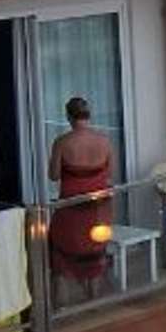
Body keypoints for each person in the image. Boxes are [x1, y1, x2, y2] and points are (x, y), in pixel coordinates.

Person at [46, 97, 115, 293]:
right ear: (89, 115)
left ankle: (62, 305)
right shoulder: (105, 142)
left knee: (61, 257)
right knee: (94, 255)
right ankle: (93, 301)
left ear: (68, 117)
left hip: (71, 208)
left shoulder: (62, 142)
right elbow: (109, 174)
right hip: (97, 208)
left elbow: (53, 175)